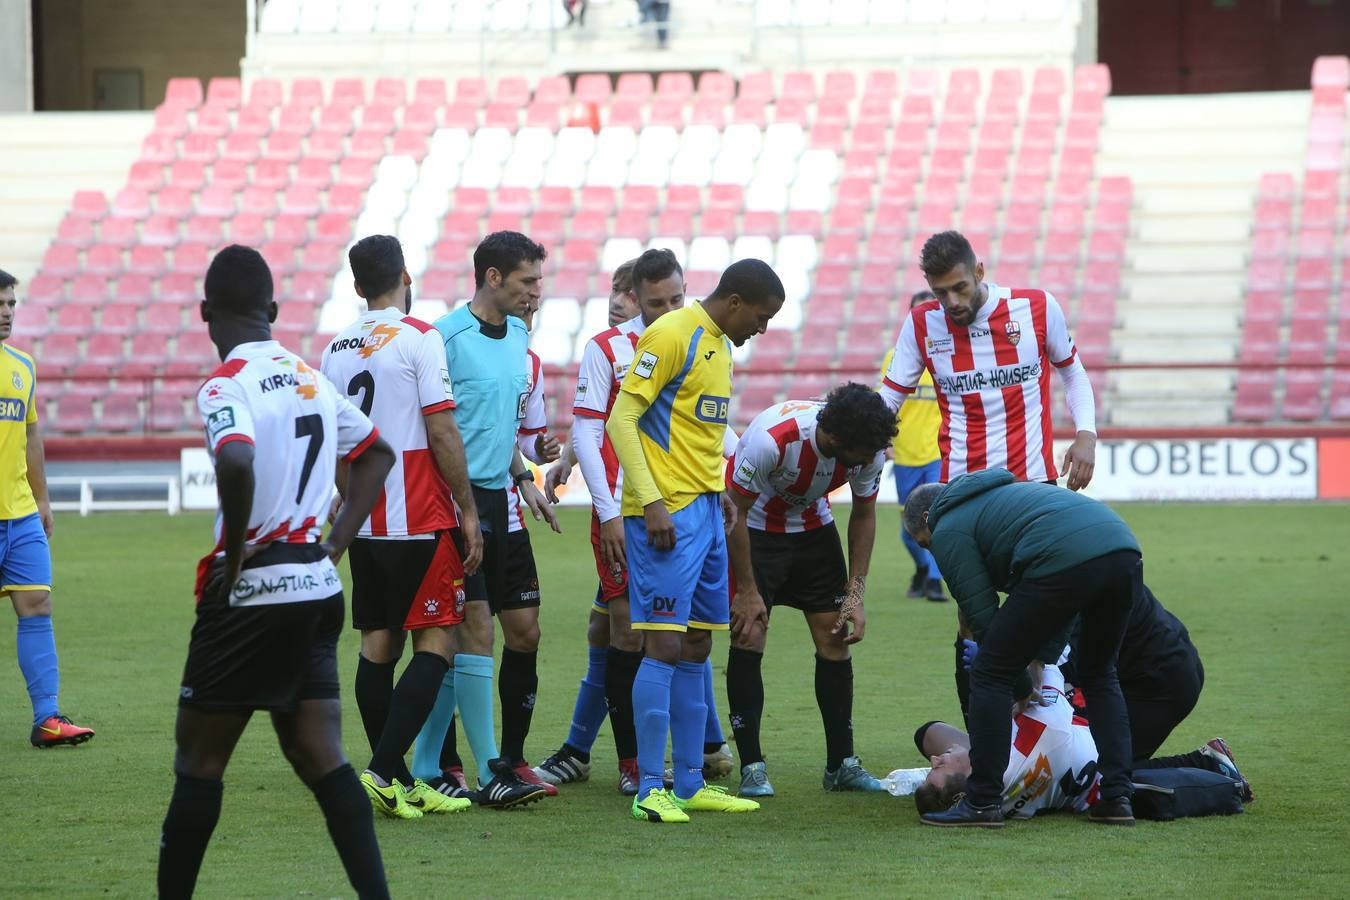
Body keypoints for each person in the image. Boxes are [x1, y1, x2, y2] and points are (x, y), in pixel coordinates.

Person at [158, 245, 395, 898]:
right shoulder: (310, 378)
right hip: (318, 586)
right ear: (275, 310)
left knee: (198, 764)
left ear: (205, 313)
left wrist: (233, 558)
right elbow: (377, 454)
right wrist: (336, 543)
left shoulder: (224, 384)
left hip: (254, 591)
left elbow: (235, 462)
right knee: (323, 760)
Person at [879, 230, 1100, 724]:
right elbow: (889, 398)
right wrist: (862, 439)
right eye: (940, 292)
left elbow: (1073, 371)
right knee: (970, 619)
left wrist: (1085, 434)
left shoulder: (1037, 308)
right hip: (960, 498)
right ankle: (985, 734)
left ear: (979, 272)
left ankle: (1042, 728)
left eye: (959, 287)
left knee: (1039, 611)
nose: (951, 301)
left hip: (1034, 490)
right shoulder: (921, 325)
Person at [534, 251, 732, 794]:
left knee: (640, 630)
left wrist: (726, 478)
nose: (668, 310)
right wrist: (606, 511)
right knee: (633, 634)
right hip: (631, 512)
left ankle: (592, 750)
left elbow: (706, 422)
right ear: (632, 299)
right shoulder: (610, 349)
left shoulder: (700, 339)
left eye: (676, 299)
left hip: (684, 505)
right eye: (656, 302)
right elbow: (588, 429)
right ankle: (637, 767)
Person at [607, 257, 784, 823]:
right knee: (661, 643)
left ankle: (688, 781)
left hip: (706, 511)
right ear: (735, 302)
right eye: (761, 316)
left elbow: (696, 428)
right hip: (665, 515)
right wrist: (652, 500)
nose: (763, 327)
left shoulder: (721, 346)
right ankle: (648, 788)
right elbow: (621, 421)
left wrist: (717, 491)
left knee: (698, 645)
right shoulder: (672, 333)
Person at [318, 235, 484, 819]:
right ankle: (387, 771)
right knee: (438, 643)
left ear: (359, 287)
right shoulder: (420, 338)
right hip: (420, 515)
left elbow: (338, 444)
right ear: (405, 276)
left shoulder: (335, 349)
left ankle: (398, 778)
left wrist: (352, 501)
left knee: (377, 648)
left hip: (367, 523)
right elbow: (441, 431)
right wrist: (466, 509)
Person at [902, 469, 1140, 827]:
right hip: (1122, 549)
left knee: (989, 671)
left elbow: (983, 618)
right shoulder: (999, 500)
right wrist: (1038, 663)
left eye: (924, 543)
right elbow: (1062, 609)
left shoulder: (948, 525)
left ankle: (982, 801)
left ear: (926, 518)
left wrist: (1022, 687)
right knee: (1099, 674)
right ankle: (1117, 798)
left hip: (1065, 559)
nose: (932, 551)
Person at [414, 231, 558, 806]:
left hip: (504, 499)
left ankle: (488, 760)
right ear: (493, 278)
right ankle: (477, 765)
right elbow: (436, 427)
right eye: (527, 282)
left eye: (539, 281)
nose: (536, 293)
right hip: (455, 503)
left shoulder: (521, 338)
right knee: (470, 630)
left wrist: (526, 470)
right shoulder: (443, 338)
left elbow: (500, 429)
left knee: (525, 631)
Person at [723, 384, 895, 798]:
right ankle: (752, 767)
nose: (869, 459)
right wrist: (746, 590)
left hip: (814, 532)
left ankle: (842, 764)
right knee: (750, 634)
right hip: (754, 532)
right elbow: (734, 512)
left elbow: (864, 513)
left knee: (835, 639)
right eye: (862, 452)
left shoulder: (867, 446)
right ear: (835, 439)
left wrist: (855, 594)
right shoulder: (772, 440)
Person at [912, 663, 1251, 823]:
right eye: (940, 766)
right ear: (966, 786)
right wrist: (1014, 673)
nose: (935, 759)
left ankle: (1206, 760)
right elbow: (1050, 672)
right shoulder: (1034, 736)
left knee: (927, 733)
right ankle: (1207, 763)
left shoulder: (996, 798)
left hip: (1076, 773)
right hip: (1103, 731)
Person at [960, 582, 1209, 765]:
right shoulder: (1062, 574)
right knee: (1098, 766)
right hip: (1160, 664)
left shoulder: (1064, 599)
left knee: (1100, 770)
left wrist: (998, 669)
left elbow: (1042, 675)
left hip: (1159, 683)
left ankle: (1206, 764)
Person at [0, 270, 94, 749]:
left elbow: (31, 433)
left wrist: (42, 498)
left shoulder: (22, 366)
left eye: (11, 303)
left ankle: (48, 718)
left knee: (37, 604)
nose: (6, 311)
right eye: (0, 303)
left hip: (18, 515)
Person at [880, 290, 945, 603]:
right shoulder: (894, 359)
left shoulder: (950, 356)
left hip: (937, 453)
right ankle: (922, 569)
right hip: (905, 455)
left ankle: (934, 581)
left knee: (937, 521)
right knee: (909, 529)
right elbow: (888, 406)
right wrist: (884, 441)